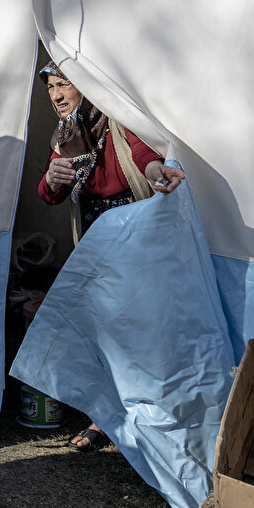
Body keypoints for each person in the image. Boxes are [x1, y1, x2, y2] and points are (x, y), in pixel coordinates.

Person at [36, 60, 185, 451]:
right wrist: (51, 180)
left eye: (63, 84)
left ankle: (147, 416)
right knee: (102, 330)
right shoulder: (68, 134)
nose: (56, 95)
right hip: (94, 239)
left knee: (139, 328)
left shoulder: (119, 122)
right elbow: (50, 190)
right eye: (50, 87)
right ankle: (103, 417)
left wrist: (157, 170)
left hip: (132, 237)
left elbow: (143, 154)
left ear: (85, 84)